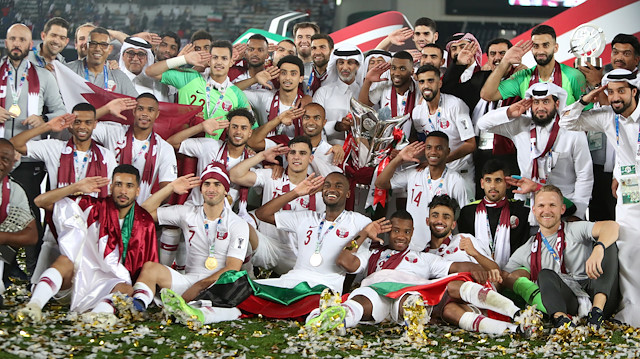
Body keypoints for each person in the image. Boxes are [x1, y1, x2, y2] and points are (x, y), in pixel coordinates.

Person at [160, 172, 384, 325]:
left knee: (285, 299)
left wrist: (364, 233)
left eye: (338, 186)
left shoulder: (359, 222)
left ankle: (204, 307)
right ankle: (200, 311)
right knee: (241, 287)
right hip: (290, 280)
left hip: (321, 290)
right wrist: (296, 192)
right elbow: (263, 215)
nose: (331, 189)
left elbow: (347, 261)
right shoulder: (307, 217)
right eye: (326, 185)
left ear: (347, 193)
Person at [306, 209, 538, 337]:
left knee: (435, 291)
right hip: (376, 288)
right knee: (362, 302)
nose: (400, 236)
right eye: (395, 230)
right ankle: (336, 318)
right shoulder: (373, 255)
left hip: (411, 293)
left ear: (412, 233)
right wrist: (365, 234)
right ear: (388, 231)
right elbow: (344, 261)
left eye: (406, 232)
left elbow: (463, 269)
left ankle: (516, 318)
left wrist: (481, 265)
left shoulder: (425, 258)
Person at [16, 165, 158, 323]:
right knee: (65, 261)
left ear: (138, 190)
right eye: (118, 184)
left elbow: (146, 269)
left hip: (108, 285)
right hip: (75, 279)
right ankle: (34, 306)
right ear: (111, 187)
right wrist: (75, 187)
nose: (123, 191)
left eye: (129, 186)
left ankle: (97, 316)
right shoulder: (91, 206)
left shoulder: (144, 223)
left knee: (125, 289)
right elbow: (40, 201)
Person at [559, 68, 640, 326]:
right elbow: (566, 122)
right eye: (611, 91)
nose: (615, 97)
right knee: (628, 251)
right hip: (629, 192)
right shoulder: (607, 116)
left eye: (621, 91)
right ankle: (632, 313)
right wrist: (586, 99)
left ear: (634, 91)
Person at [11, 103, 118, 284]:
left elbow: (110, 198)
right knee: (40, 286)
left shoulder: (106, 156)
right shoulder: (54, 148)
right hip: (55, 231)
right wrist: (47, 126)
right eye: (77, 122)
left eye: (87, 122)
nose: (82, 127)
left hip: (90, 232)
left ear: (95, 124)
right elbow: (14, 144)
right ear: (70, 124)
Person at [130, 163, 247, 311]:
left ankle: (187, 304)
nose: (211, 189)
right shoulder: (188, 213)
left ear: (226, 191)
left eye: (217, 184)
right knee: (150, 268)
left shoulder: (238, 223)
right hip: (189, 281)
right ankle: (137, 306)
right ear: (201, 189)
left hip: (218, 287)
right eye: (207, 184)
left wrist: (200, 286)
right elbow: (142, 213)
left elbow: (232, 269)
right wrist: (170, 188)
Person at [503, 185, 619, 330]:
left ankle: (596, 313)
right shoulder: (528, 247)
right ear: (534, 210)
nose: (546, 210)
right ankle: (561, 320)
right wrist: (522, 276)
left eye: (552, 205)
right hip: (568, 300)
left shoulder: (574, 229)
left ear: (562, 209)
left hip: (595, 290)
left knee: (608, 245)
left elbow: (612, 227)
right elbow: (505, 276)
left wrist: (598, 249)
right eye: (541, 205)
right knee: (544, 275)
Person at [2, 23, 67, 276]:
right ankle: (6, 268)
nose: (17, 43)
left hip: (28, 159)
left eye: (22, 40)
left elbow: (60, 111)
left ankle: (31, 272)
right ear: (6, 42)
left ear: (31, 44)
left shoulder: (43, 76)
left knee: (30, 216)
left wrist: (42, 119)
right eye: (13, 39)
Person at [478, 82, 593, 220]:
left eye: (546, 102)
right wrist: (509, 112)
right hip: (527, 206)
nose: (540, 107)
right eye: (536, 102)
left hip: (562, 207)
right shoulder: (520, 125)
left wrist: (577, 213)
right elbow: (482, 124)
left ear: (557, 104)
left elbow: (584, 176)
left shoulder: (572, 130)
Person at [441, 38, 523, 198]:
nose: (497, 58)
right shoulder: (480, 79)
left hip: (512, 151)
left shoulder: (522, 78)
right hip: (481, 153)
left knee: (511, 197)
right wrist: (458, 66)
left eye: (502, 53)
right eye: (493, 54)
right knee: (482, 197)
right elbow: (449, 91)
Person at [230, 136, 325, 273]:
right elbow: (235, 175)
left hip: (296, 253)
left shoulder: (317, 189)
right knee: (240, 225)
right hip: (266, 244)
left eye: (302, 153)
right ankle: (248, 278)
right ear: (286, 157)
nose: (296, 157)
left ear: (311, 158)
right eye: (292, 153)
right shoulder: (272, 176)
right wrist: (262, 155)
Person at [375, 132, 467, 251]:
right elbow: (380, 183)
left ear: (448, 151)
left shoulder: (456, 181)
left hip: (442, 250)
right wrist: (399, 159)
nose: (433, 152)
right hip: (412, 247)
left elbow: (464, 219)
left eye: (439, 148)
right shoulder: (414, 173)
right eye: (429, 148)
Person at [146, 40, 251, 139]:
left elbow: (252, 127)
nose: (219, 62)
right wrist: (184, 59)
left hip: (212, 153)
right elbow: (151, 72)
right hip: (180, 146)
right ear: (209, 61)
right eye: (215, 57)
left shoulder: (237, 95)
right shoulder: (189, 78)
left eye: (224, 58)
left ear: (232, 62)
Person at [92, 93, 177, 203]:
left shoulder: (165, 148)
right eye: (140, 109)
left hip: (139, 210)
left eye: (150, 110)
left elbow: (166, 192)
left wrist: (145, 209)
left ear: (157, 114)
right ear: (134, 111)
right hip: (107, 205)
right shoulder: (113, 132)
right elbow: (76, 125)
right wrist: (106, 109)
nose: (145, 114)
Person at [480, 25, 587, 106]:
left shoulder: (574, 76)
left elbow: (587, 112)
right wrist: (505, 61)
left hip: (567, 135)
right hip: (533, 135)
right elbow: (487, 95)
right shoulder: (522, 77)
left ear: (556, 48)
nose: (540, 51)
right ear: (531, 49)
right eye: (536, 46)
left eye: (545, 45)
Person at [412, 64, 476, 199]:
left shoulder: (456, 105)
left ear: (439, 83)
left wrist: (443, 160)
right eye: (422, 81)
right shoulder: (417, 112)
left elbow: (470, 144)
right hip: (435, 175)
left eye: (430, 80)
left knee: (464, 217)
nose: (426, 85)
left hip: (460, 172)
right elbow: (422, 141)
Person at [457, 160, 530, 268]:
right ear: (482, 183)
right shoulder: (468, 212)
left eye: (498, 180)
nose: (492, 186)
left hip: (512, 274)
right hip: (478, 273)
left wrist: (535, 189)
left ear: (508, 183)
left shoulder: (521, 210)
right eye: (488, 180)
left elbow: (558, 208)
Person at [247, 102, 344, 177]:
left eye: (316, 118)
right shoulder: (286, 143)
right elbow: (252, 142)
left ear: (324, 122)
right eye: (306, 117)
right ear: (301, 120)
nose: (311, 122)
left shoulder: (333, 152)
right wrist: (278, 119)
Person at [0, 139, 37, 304]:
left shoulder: (14, 190)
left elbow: (32, 235)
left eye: (5, 159)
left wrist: (2, 237)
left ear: (11, 164)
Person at [359, 51, 419, 138]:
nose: (397, 73)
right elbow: (363, 106)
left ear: (412, 71)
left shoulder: (419, 88)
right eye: (393, 68)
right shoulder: (385, 84)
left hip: (414, 141)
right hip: (387, 141)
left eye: (402, 69)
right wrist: (368, 81)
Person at [242, 55, 312, 131]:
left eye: (293, 74)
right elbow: (230, 91)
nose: (287, 78)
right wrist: (254, 79)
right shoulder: (264, 97)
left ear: (301, 78)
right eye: (284, 73)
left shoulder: (306, 105)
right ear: (278, 77)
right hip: (267, 142)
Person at [313, 45, 364, 144]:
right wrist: (336, 126)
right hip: (328, 152)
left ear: (357, 66)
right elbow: (313, 124)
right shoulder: (323, 92)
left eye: (350, 63)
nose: (345, 68)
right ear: (336, 65)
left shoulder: (364, 94)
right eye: (341, 63)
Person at [66, 27, 138, 97]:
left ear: (110, 49)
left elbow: (136, 103)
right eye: (93, 43)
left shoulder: (119, 76)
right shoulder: (68, 70)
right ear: (86, 46)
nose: (97, 49)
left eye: (104, 45)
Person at [119, 37, 174, 102]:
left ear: (147, 58)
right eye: (131, 53)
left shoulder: (158, 83)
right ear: (123, 56)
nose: (135, 59)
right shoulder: (115, 78)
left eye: (141, 54)